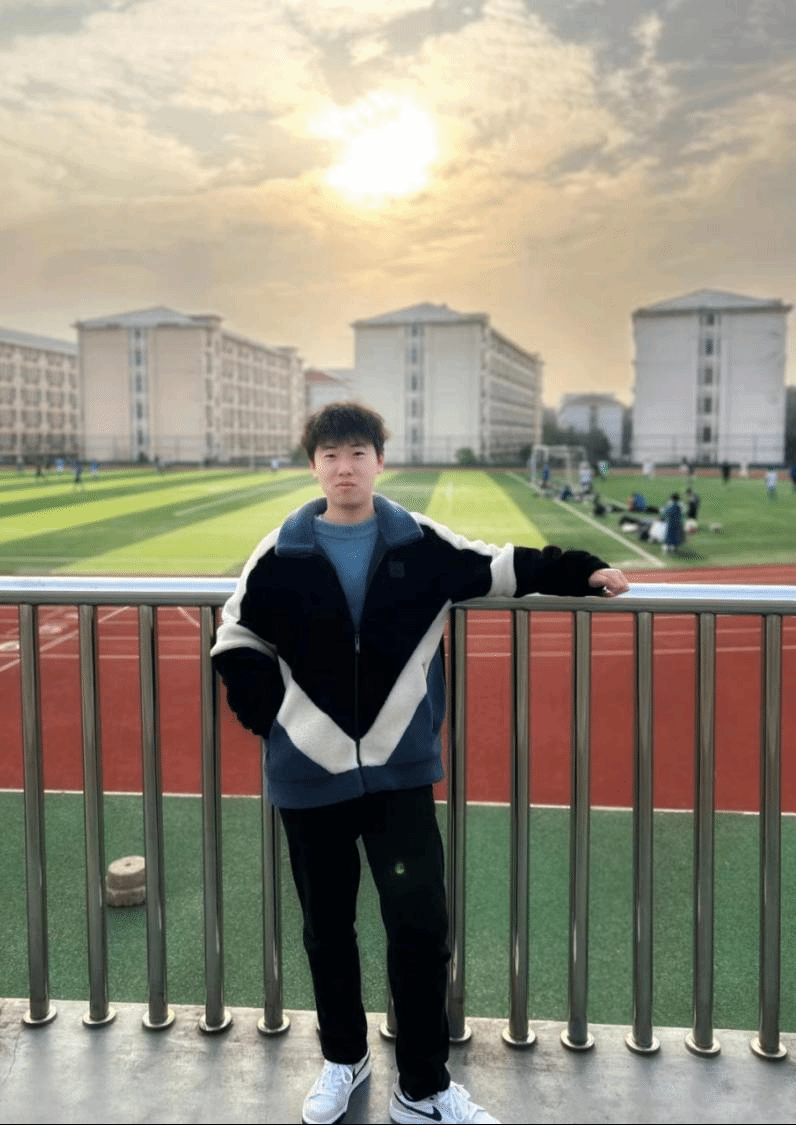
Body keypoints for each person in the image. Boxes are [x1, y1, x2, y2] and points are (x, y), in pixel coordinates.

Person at [211, 403, 628, 1125]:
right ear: (313, 466)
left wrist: (583, 569)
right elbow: (236, 635)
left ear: (380, 460)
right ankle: (344, 1058)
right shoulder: (279, 553)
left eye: (357, 453)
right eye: (331, 455)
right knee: (327, 930)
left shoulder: (419, 542)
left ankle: (423, 1089)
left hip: (399, 777)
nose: (345, 468)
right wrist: (277, 722)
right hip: (307, 779)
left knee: (420, 927)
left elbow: (503, 567)